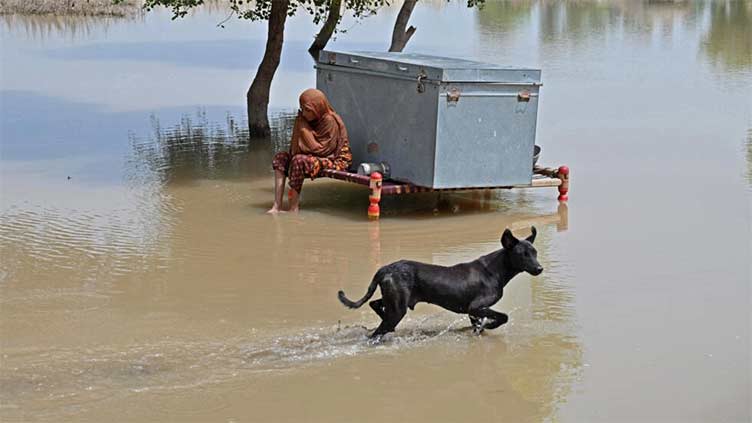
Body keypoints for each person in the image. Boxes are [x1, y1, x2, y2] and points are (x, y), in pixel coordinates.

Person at [267, 89, 352, 213]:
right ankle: (277, 205)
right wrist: (300, 126)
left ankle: (293, 208)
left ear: (318, 107)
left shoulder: (329, 120)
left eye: (307, 109)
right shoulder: (309, 120)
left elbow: (322, 150)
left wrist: (303, 130)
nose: (304, 113)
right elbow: (296, 149)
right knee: (281, 158)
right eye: (302, 108)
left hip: (335, 160)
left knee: (299, 161)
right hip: (316, 157)